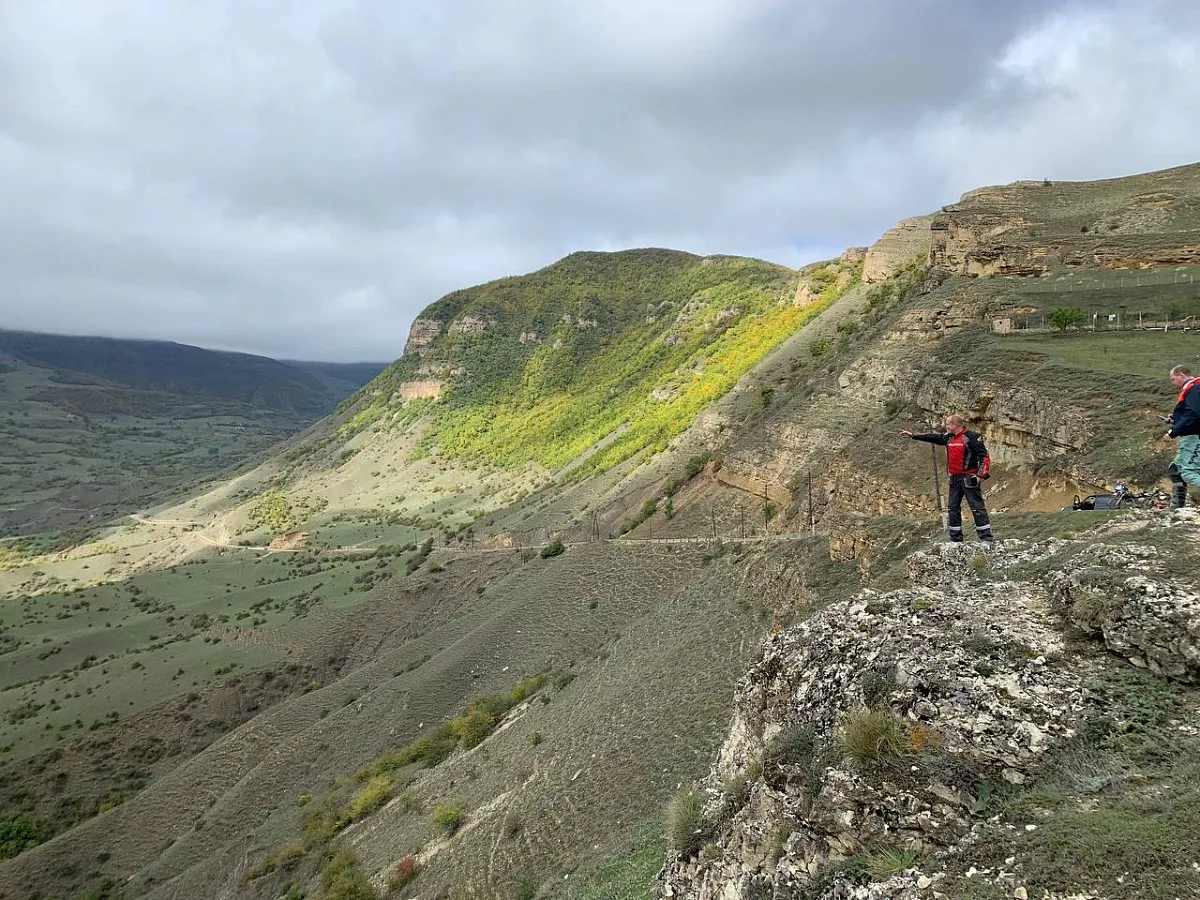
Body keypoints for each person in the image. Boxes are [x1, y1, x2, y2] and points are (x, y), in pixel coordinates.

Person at [899, 414, 994, 543]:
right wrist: (913, 435)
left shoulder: (972, 437)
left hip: (969, 478)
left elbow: (985, 458)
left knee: (977, 507)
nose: (945, 426)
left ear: (956, 424)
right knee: (953, 508)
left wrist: (979, 476)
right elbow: (933, 437)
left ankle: (986, 538)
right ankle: (955, 539)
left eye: (948, 424)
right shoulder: (948, 437)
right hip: (954, 479)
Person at [1164, 365, 1200, 508]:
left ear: (1181, 375)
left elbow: (1194, 414)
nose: (1173, 383)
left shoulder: (1194, 388)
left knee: (1188, 472)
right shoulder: (1194, 389)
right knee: (1176, 468)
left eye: (1173, 379)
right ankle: (1177, 507)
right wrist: (1176, 419)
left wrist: (1173, 431)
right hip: (1189, 436)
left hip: (1194, 437)